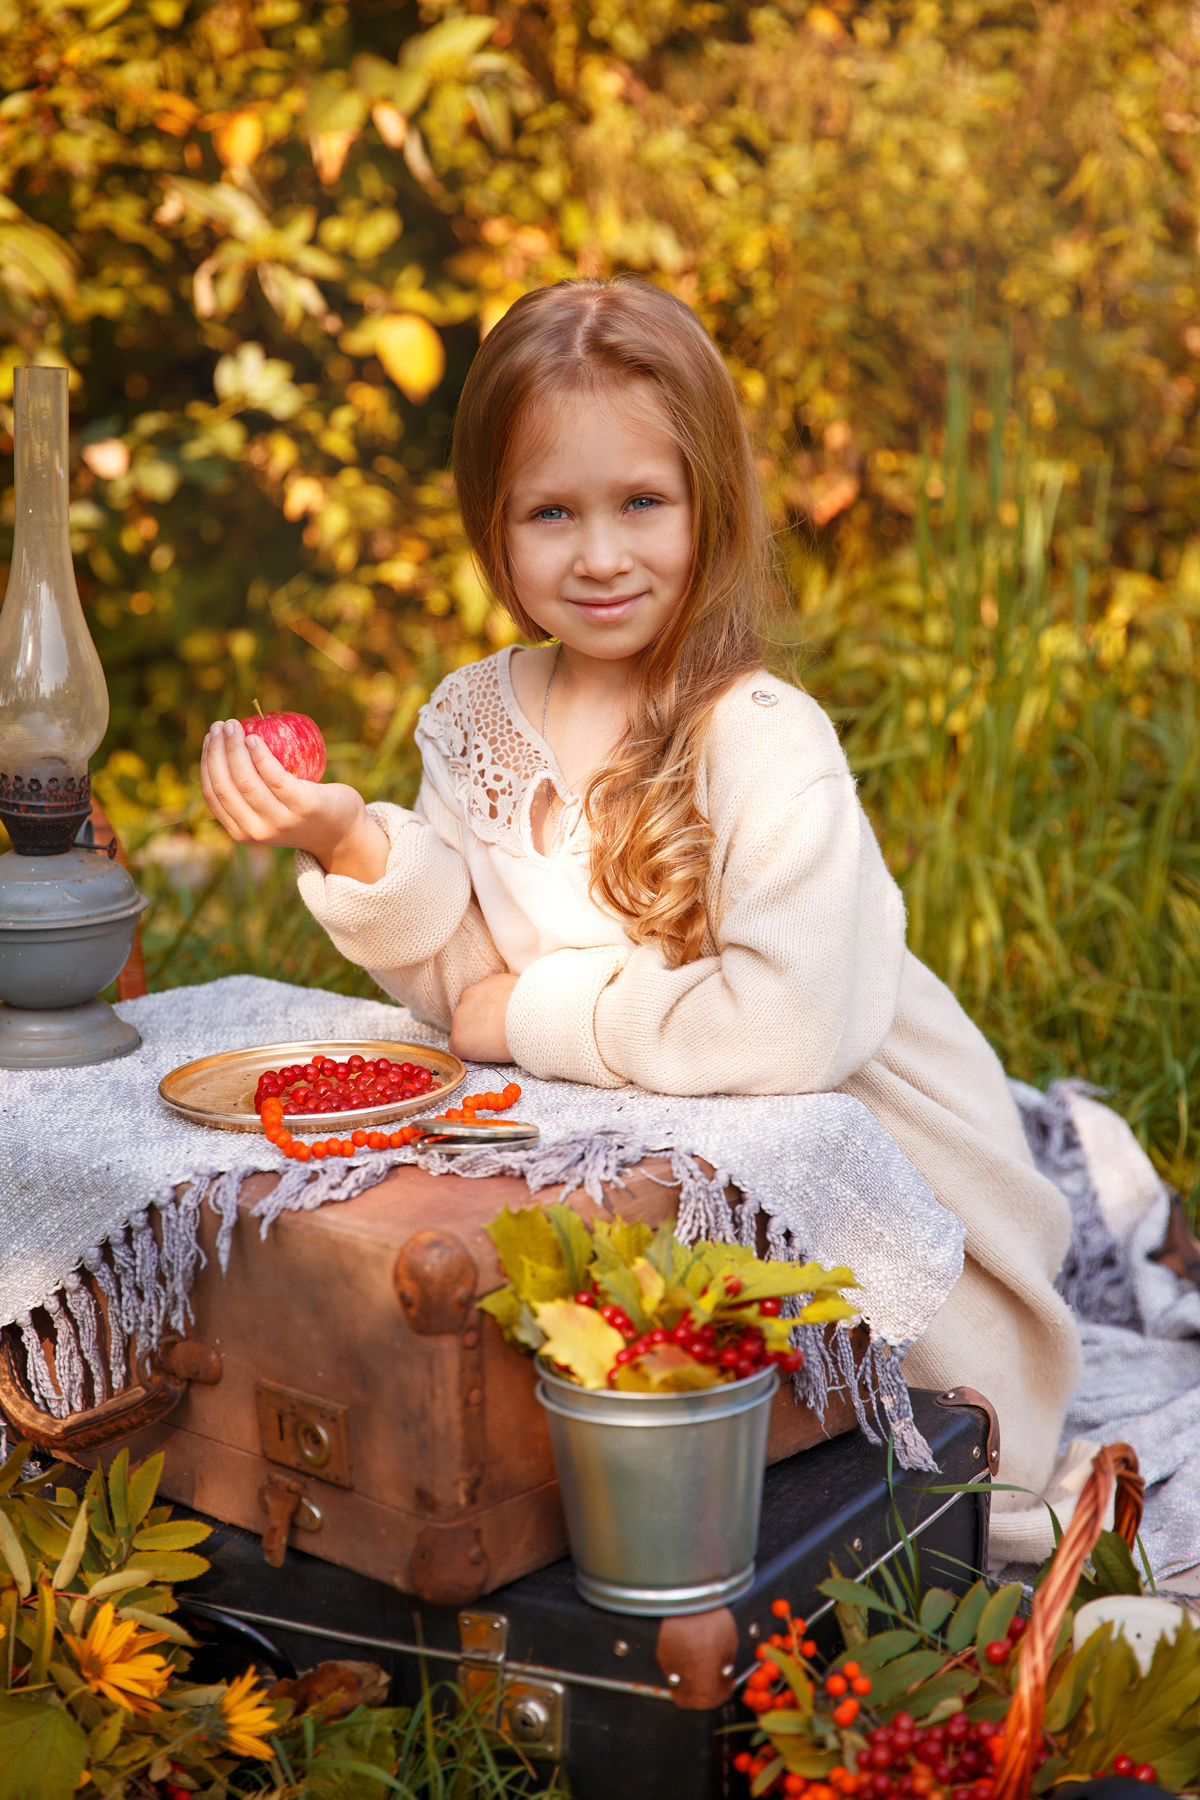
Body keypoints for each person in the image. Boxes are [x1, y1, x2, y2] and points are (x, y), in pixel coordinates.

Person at [201, 278, 1080, 1562]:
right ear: (492, 525)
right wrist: (349, 840)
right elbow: (466, 991)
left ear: (708, 502)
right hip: (628, 1147)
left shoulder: (759, 734)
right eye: (551, 512)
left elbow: (787, 1028)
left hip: (846, 1146)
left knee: (866, 1470)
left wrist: (533, 1016)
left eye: (642, 504)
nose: (601, 556)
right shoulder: (476, 716)